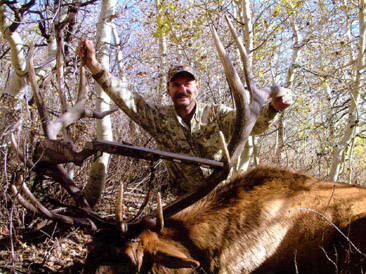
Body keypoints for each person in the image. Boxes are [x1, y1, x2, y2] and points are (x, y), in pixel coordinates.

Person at [77, 39, 292, 194]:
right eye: (176, 85)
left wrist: (272, 108)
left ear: (196, 88)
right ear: (168, 90)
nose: (182, 89)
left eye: (187, 84)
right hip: (184, 202)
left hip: (222, 196)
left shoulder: (216, 114)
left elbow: (251, 125)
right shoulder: (158, 119)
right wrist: (95, 67)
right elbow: (128, 99)